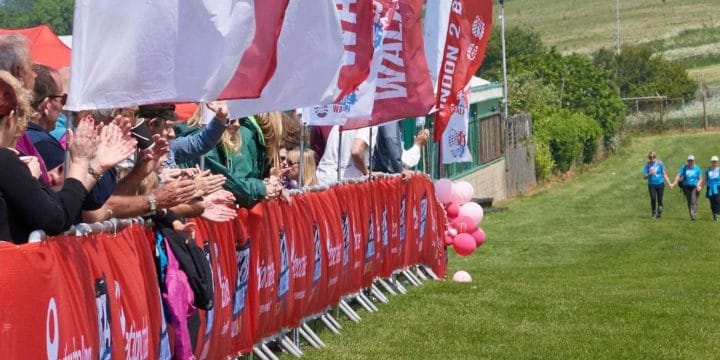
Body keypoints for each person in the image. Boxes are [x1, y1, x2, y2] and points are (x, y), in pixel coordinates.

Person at [0, 71, 136, 243]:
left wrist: (95, 166)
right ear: (12, 118)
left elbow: (57, 205)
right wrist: (79, 162)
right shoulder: (5, 160)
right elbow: (55, 219)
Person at [671, 154, 703, 221]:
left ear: (694, 161)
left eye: (691, 161)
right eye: (689, 161)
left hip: (694, 187)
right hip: (686, 187)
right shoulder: (684, 167)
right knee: (689, 201)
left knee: (693, 200)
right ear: (687, 161)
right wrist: (673, 184)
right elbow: (678, 176)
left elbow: (700, 178)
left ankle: (693, 214)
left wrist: (698, 185)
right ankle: (692, 215)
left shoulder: (697, 168)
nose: (690, 162)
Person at [642, 151, 671, 219]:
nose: (652, 159)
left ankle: (659, 212)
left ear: (655, 157)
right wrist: (650, 173)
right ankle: (653, 212)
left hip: (660, 183)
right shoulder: (647, 165)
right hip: (651, 184)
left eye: (653, 157)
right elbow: (644, 177)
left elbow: (664, 173)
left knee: (660, 199)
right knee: (653, 198)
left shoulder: (660, 163)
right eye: (650, 157)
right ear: (649, 158)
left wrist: (669, 183)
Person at [705, 155, 720, 221]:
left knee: (717, 201)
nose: (714, 162)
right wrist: (700, 186)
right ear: (711, 162)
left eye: (715, 161)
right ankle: (714, 215)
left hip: (718, 187)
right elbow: (705, 179)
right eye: (713, 161)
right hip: (710, 188)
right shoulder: (708, 170)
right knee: (712, 203)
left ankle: (717, 214)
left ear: (717, 162)